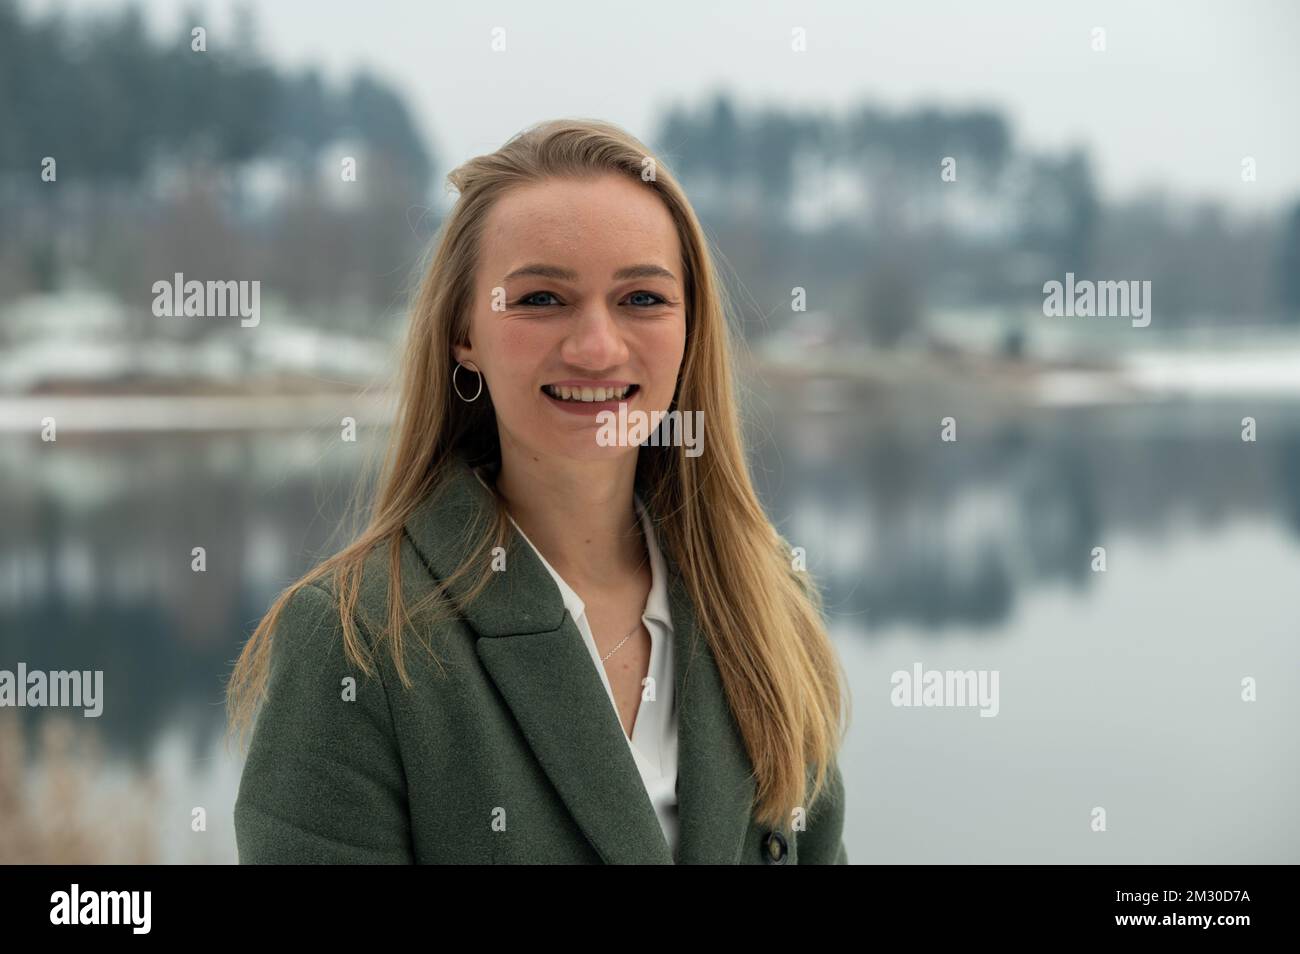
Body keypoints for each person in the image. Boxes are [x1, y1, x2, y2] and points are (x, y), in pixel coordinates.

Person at [226, 118, 850, 864]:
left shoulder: (767, 605)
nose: (595, 347)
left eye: (642, 299)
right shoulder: (356, 642)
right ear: (465, 333)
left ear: (690, 329)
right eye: (541, 299)